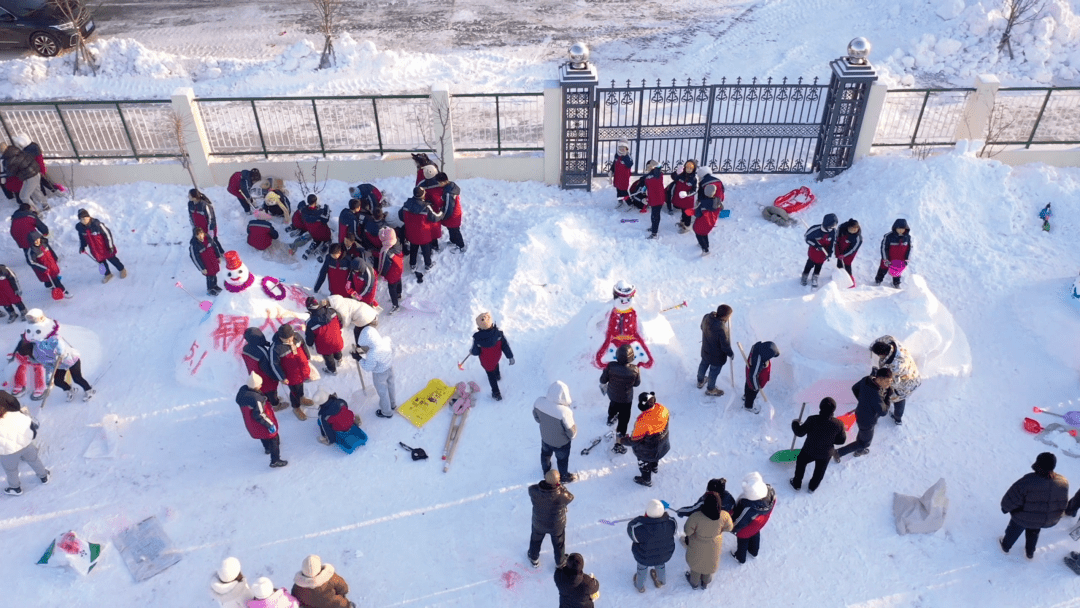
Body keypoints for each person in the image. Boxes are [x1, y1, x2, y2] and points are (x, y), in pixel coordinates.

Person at [999, 452, 1069, 560]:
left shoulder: (1028, 480)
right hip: (1044, 519)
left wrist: (1005, 508)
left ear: (1038, 464)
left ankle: (1005, 546)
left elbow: (1013, 497)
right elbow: (1063, 502)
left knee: (1014, 529)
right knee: (1034, 531)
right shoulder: (1062, 481)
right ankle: (1030, 552)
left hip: (1023, 517)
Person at [789, 397, 846, 492]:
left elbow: (799, 433)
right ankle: (812, 487)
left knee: (801, 463)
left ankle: (796, 483)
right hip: (826, 454)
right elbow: (841, 441)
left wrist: (795, 423)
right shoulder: (839, 424)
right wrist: (830, 439)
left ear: (820, 407)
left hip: (809, 450)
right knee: (820, 471)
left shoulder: (812, 419)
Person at [836, 368, 893, 459]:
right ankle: (839, 452)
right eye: (887, 382)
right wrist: (888, 397)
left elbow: (854, 388)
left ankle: (859, 451)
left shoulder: (867, 379)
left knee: (863, 435)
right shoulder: (876, 395)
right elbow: (883, 412)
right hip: (867, 421)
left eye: (890, 381)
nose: (889, 384)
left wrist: (863, 401)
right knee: (865, 442)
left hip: (860, 412)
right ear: (879, 379)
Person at [0, 391, 49, 496]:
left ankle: (15, 488)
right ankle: (44, 476)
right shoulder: (16, 414)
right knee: (34, 460)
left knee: (11, 470)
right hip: (25, 445)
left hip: (7, 452)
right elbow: (30, 428)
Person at [683, 491, 733, 590]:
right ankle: (705, 583)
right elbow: (729, 528)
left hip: (697, 546)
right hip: (714, 545)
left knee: (696, 566)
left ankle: (694, 583)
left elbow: (687, 531)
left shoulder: (696, 517)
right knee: (709, 565)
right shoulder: (724, 515)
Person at [237, 372, 287, 468]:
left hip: (251, 423)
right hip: (261, 423)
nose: (261, 385)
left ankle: (267, 448)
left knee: (261, 435)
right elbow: (259, 414)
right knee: (273, 437)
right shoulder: (256, 399)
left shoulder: (243, 393)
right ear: (256, 386)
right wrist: (270, 424)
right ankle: (275, 460)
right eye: (260, 384)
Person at [627, 499, 677, 592]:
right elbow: (673, 529)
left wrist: (640, 519)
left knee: (642, 570)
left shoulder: (639, 528)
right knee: (660, 566)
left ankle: (640, 586)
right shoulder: (671, 523)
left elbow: (630, 528)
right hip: (663, 555)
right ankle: (661, 581)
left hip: (644, 557)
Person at [527, 469, 574, 568]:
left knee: (535, 540)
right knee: (559, 544)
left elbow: (530, 489)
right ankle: (560, 562)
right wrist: (561, 487)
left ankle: (533, 557)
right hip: (556, 525)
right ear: (558, 481)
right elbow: (570, 497)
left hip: (538, 523)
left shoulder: (533, 490)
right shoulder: (562, 495)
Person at [533, 380, 578, 483]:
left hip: (545, 438)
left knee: (545, 454)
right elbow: (572, 433)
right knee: (562, 459)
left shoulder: (539, 402)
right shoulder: (564, 412)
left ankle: (546, 472)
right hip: (561, 443)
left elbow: (536, 418)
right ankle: (563, 477)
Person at [870, 336, 921, 425]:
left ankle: (897, 419)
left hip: (906, 385)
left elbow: (893, 383)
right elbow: (882, 338)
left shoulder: (894, 367)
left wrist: (876, 377)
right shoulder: (893, 342)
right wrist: (873, 346)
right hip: (913, 373)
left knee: (898, 399)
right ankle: (897, 418)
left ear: (882, 354)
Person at [623, 391, 670, 487]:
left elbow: (635, 440)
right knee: (654, 457)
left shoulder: (643, 421)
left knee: (644, 463)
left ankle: (646, 480)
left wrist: (622, 440)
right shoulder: (662, 408)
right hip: (662, 443)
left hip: (648, 449)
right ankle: (654, 467)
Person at [599, 344, 640, 453]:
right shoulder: (635, 370)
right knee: (623, 420)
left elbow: (603, 380)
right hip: (626, 399)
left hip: (612, 394)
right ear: (631, 357)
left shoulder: (611, 366)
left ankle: (610, 419)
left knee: (613, 406)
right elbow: (637, 384)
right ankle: (618, 444)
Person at [730, 472, 777, 564]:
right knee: (755, 534)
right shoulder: (770, 493)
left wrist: (733, 528)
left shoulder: (749, 508)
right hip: (759, 524)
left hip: (745, 530)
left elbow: (740, 521)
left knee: (743, 541)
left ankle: (740, 558)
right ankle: (753, 552)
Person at [270, 324, 313, 421]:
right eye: (286, 340)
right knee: (294, 392)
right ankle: (296, 407)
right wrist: (282, 377)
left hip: (301, 370)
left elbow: (303, 345)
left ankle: (301, 398)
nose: (290, 341)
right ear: (280, 337)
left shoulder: (297, 336)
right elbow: (274, 364)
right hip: (290, 375)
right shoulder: (276, 348)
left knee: (300, 385)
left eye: (291, 338)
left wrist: (308, 357)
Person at [470, 312, 514, 401]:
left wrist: (472, 351)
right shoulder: (498, 334)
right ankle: (497, 375)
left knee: (491, 376)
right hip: (496, 356)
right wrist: (510, 356)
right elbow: (505, 346)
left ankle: (496, 393)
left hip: (486, 362)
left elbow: (476, 352)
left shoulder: (478, 339)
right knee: (495, 363)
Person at [400, 186, 440, 282]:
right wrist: (442, 213)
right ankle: (428, 265)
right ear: (422, 195)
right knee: (426, 250)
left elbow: (401, 216)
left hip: (411, 233)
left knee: (414, 248)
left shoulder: (407, 204)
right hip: (424, 235)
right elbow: (435, 217)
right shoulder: (426, 207)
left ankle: (412, 265)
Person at [357, 324, 397, 419]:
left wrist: (359, 358)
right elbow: (393, 350)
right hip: (390, 368)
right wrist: (388, 359)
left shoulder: (372, 353)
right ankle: (393, 404)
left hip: (379, 375)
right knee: (391, 386)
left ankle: (387, 412)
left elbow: (368, 367)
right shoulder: (386, 340)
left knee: (383, 393)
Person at [76, 209, 126, 283]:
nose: (84, 220)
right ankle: (107, 274)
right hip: (94, 250)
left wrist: (110, 246)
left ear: (89, 217)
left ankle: (122, 269)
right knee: (101, 263)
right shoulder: (81, 228)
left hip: (105, 248)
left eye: (86, 218)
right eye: (82, 219)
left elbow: (108, 235)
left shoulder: (97, 224)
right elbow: (82, 238)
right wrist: (82, 246)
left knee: (113, 259)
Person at [242, 328, 282, 411]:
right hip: (266, 377)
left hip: (255, 375)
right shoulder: (261, 352)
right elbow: (266, 368)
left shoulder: (246, 348)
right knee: (271, 391)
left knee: (264, 390)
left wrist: (266, 344)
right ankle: (276, 405)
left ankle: (267, 401)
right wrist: (275, 377)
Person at [0, 142, 48, 212]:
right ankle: (46, 206)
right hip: (36, 172)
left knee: (23, 197)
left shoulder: (9, 159)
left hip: (30, 176)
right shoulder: (15, 150)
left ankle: (36, 212)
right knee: (36, 191)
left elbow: (11, 173)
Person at [698, 304, 734, 396]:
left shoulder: (707, 317)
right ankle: (711, 389)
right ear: (725, 316)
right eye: (729, 316)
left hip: (706, 349)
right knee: (713, 372)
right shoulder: (722, 330)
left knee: (703, 364)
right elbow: (725, 346)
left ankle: (700, 381)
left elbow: (702, 327)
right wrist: (730, 353)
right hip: (716, 357)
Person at [304, 297, 344, 376]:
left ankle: (332, 370)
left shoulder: (310, 323)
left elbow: (309, 338)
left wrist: (309, 344)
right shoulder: (332, 311)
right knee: (337, 349)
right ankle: (339, 359)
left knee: (328, 358)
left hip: (325, 347)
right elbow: (341, 321)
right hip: (337, 341)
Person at [25, 230, 70, 298]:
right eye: (35, 241)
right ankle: (64, 292)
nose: (37, 241)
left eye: (38, 239)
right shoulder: (32, 251)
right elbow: (31, 262)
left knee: (52, 277)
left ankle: (48, 285)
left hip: (52, 264)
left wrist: (55, 258)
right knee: (55, 280)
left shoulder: (44, 243)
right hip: (45, 269)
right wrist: (43, 269)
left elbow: (51, 251)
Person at [691, 168, 724, 254]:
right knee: (704, 230)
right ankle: (706, 244)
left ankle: (705, 249)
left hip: (704, 214)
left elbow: (699, 203)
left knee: (697, 230)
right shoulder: (718, 182)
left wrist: (694, 209)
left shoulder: (703, 184)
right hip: (714, 213)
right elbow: (722, 196)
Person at [801, 213, 838, 288]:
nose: (833, 228)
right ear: (826, 224)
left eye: (834, 225)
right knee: (808, 266)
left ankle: (815, 278)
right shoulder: (815, 229)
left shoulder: (833, 232)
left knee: (818, 267)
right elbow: (807, 238)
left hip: (823, 255)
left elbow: (832, 244)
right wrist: (816, 245)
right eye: (832, 226)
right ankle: (804, 276)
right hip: (813, 253)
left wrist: (829, 254)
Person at [432, 172, 465, 253]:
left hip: (453, 215)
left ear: (444, 182)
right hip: (455, 212)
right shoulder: (451, 185)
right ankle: (453, 241)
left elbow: (448, 207)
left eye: (439, 182)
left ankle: (461, 246)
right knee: (451, 228)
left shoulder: (448, 193)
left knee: (455, 230)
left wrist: (444, 216)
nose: (438, 184)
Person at [743, 341, 779, 413]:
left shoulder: (757, 347)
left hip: (750, 376)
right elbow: (753, 376)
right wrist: (756, 387)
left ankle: (745, 396)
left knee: (747, 386)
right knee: (751, 393)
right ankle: (748, 406)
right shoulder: (758, 361)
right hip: (755, 381)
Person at [874, 218, 912, 288]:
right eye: (898, 229)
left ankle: (896, 283)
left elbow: (909, 249)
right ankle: (878, 281)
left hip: (900, 260)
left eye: (902, 229)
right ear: (895, 228)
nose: (900, 230)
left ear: (905, 229)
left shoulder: (908, 237)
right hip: (888, 259)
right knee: (883, 270)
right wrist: (885, 259)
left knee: (897, 272)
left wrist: (907, 259)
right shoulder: (888, 236)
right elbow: (883, 248)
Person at [190, 226, 224, 296]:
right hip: (206, 265)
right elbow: (195, 258)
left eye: (201, 233)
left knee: (214, 274)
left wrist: (218, 257)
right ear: (195, 236)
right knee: (209, 277)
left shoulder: (208, 239)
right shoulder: (194, 245)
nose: (200, 236)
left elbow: (215, 247)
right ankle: (210, 289)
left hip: (213, 261)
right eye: (198, 235)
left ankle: (215, 286)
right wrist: (202, 268)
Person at [8, 335, 45, 399]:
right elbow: (17, 344)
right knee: (20, 366)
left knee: (39, 368)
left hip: (37, 356)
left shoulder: (43, 332)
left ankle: (40, 387)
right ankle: (20, 385)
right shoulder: (24, 336)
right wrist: (12, 353)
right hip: (24, 354)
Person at [377, 226, 403, 313]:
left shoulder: (386, 251)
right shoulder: (397, 243)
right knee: (399, 281)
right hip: (399, 269)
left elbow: (384, 264)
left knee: (392, 288)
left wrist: (381, 273)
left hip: (391, 274)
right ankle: (399, 294)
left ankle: (395, 305)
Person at [299, 195, 333, 260]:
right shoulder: (319, 213)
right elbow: (326, 219)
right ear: (315, 202)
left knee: (316, 238)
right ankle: (323, 247)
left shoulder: (303, 211)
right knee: (328, 239)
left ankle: (311, 248)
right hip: (324, 234)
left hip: (313, 234)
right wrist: (327, 209)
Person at [666, 160, 697, 227]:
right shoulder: (681, 175)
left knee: (688, 213)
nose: (688, 169)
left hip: (688, 200)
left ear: (693, 169)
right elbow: (674, 177)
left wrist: (687, 194)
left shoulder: (694, 179)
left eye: (691, 168)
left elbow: (694, 190)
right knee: (683, 211)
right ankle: (682, 222)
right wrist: (676, 173)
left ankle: (687, 226)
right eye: (687, 167)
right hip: (681, 199)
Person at [835, 218, 862, 286]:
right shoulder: (841, 228)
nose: (853, 231)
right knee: (839, 261)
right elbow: (837, 239)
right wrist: (838, 252)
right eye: (851, 229)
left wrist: (844, 255)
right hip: (841, 246)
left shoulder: (858, 238)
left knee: (847, 263)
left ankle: (849, 278)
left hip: (850, 252)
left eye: (855, 229)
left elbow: (853, 249)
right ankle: (840, 274)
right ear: (848, 227)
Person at [644, 161, 665, 239]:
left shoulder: (658, 175)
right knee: (653, 215)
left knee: (655, 216)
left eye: (650, 167)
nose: (648, 169)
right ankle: (653, 228)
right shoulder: (650, 176)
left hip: (658, 199)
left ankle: (654, 233)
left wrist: (657, 168)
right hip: (653, 198)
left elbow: (653, 180)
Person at [610, 140, 633, 207]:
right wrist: (611, 170)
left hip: (624, 178)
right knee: (618, 189)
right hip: (617, 176)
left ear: (626, 149)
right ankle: (620, 201)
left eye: (623, 148)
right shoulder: (617, 155)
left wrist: (625, 159)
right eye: (620, 148)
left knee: (623, 191)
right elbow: (614, 163)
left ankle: (629, 203)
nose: (621, 150)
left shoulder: (627, 157)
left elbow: (630, 164)